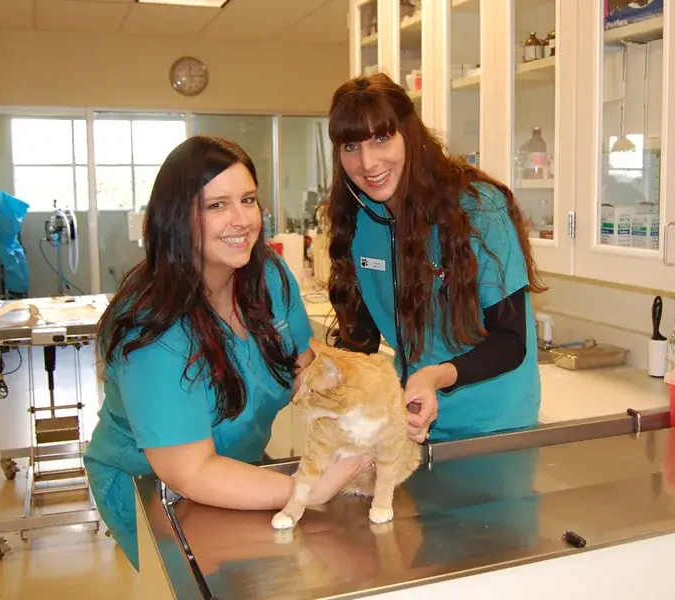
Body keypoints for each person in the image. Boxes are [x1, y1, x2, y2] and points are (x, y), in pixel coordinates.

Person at [83, 136, 371, 571]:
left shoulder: (266, 278)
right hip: (154, 487)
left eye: (249, 199)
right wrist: (308, 487)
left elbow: (299, 368)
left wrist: (363, 409)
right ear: (177, 219)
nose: (241, 220)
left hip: (240, 464)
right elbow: (190, 471)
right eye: (216, 205)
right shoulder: (152, 326)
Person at [325, 73, 547, 444]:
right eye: (351, 147)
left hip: (494, 427)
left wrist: (432, 377)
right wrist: (329, 374)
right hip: (412, 420)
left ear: (409, 134)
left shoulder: (479, 209)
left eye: (381, 139)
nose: (367, 162)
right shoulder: (359, 221)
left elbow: (511, 341)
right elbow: (360, 338)